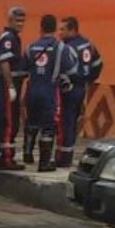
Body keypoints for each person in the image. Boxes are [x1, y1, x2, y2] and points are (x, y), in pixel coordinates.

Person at [22, 15, 78, 172]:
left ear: (41, 27)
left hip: (31, 91)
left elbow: (23, 69)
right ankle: (44, 163)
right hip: (49, 93)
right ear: (54, 29)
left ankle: (27, 154)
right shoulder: (61, 48)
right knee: (48, 127)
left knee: (31, 123)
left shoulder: (30, 47)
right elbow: (72, 70)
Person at [57, 17, 103, 167]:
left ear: (72, 30)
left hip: (70, 88)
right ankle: (67, 155)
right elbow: (98, 63)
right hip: (81, 88)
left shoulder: (67, 47)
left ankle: (63, 158)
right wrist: (89, 79)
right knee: (72, 122)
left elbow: (63, 69)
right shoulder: (88, 44)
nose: (60, 32)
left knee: (65, 123)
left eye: (63, 29)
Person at [0, 6, 28, 170]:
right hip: (5, 86)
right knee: (8, 122)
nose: (20, 24)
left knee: (0, 122)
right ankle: (5, 159)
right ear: (9, 20)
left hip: (6, 86)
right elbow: (4, 63)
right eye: (17, 21)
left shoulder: (13, 37)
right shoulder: (8, 38)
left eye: (22, 21)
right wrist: (10, 85)